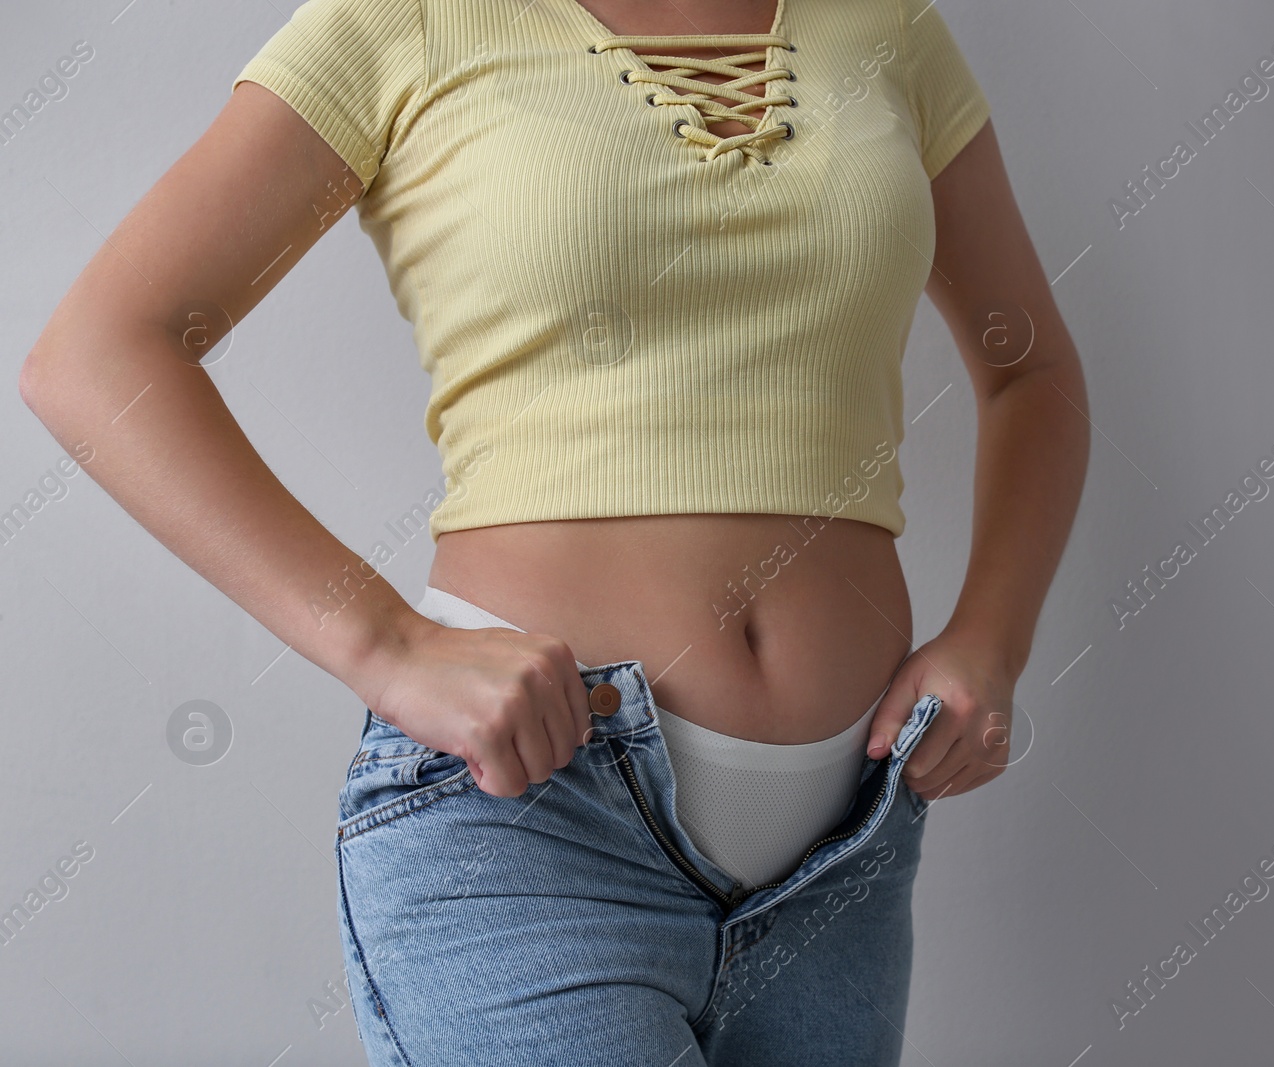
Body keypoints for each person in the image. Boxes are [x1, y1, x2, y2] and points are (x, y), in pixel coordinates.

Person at [19, 0, 1089, 1062]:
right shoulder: (408, 18)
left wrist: (992, 637)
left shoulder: (884, 24)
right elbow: (99, 353)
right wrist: (385, 645)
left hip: (842, 845)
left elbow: (1028, 370)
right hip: (532, 818)